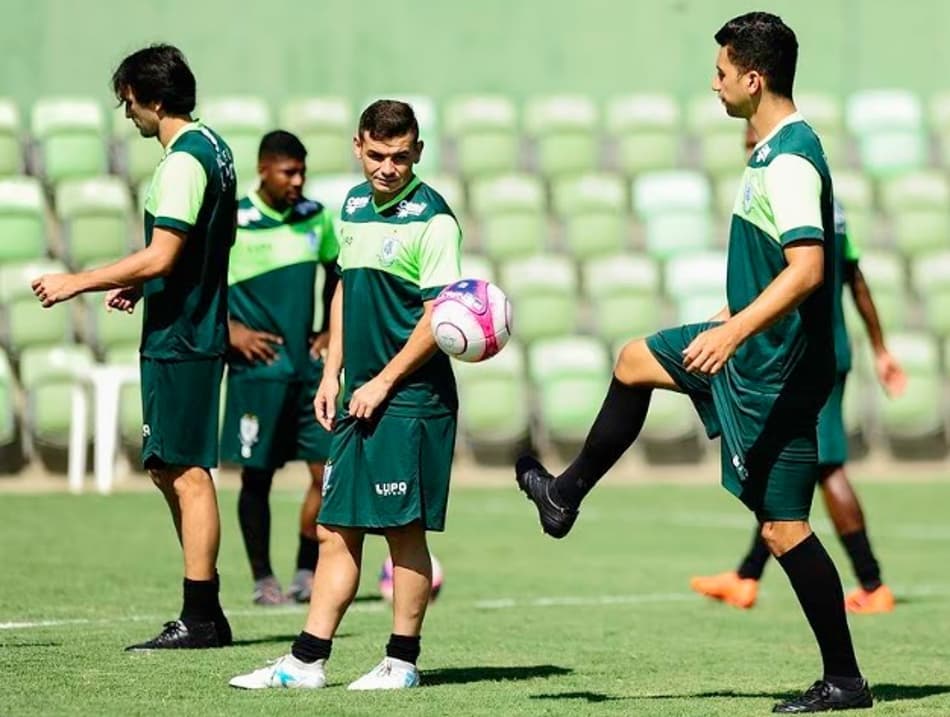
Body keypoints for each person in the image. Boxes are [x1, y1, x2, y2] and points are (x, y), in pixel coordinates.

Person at [514, 13, 873, 713]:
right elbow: (777, 264)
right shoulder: (771, 153)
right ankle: (563, 496)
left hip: (774, 372)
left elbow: (806, 270)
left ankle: (846, 679)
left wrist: (736, 330)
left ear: (752, 77)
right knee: (633, 360)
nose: (713, 85)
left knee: (783, 528)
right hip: (747, 351)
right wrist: (730, 313)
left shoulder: (793, 158)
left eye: (720, 72)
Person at [230, 99, 462, 691]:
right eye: (378, 155)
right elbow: (342, 289)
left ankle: (402, 662)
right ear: (358, 145)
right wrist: (332, 369)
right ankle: (306, 662)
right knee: (336, 529)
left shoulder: (434, 219)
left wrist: (383, 381)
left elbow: (438, 319)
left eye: (401, 157)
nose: (388, 167)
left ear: (418, 153)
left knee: (402, 531)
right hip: (357, 396)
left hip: (409, 401)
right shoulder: (353, 206)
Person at [31, 44, 236, 650]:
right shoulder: (215, 147)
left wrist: (80, 281)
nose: (128, 115)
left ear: (154, 100)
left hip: (185, 337)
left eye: (129, 102)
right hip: (185, 327)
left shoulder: (183, 162)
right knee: (169, 467)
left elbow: (166, 252)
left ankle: (201, 616)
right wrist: (145, 286)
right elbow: (190, 251)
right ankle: (205, 609)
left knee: (187, 473)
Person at [690, 123, 906, 614]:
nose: (751, 150)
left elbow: (846, 276)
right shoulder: (828, 202)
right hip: (814, 348)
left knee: (826, 465)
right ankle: (747, 576)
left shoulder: (795, 192)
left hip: (811, 351)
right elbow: (854, 276)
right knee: (782, 462)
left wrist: (881, 347)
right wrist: (879, 346)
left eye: (752, 143)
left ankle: (872, 583)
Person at [222, 130, 339, 606]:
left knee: (325, 472)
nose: (298, 181)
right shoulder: (235, 220)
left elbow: (339, 276)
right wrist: (231, 331)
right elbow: (200, 283)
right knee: (258, 476)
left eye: (302, 172)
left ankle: (307, 569)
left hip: (309, 371)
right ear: (263, 169)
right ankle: (262, 577)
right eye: (289, 171)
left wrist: (331, 333)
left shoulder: (317, 218)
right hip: (258, 371)